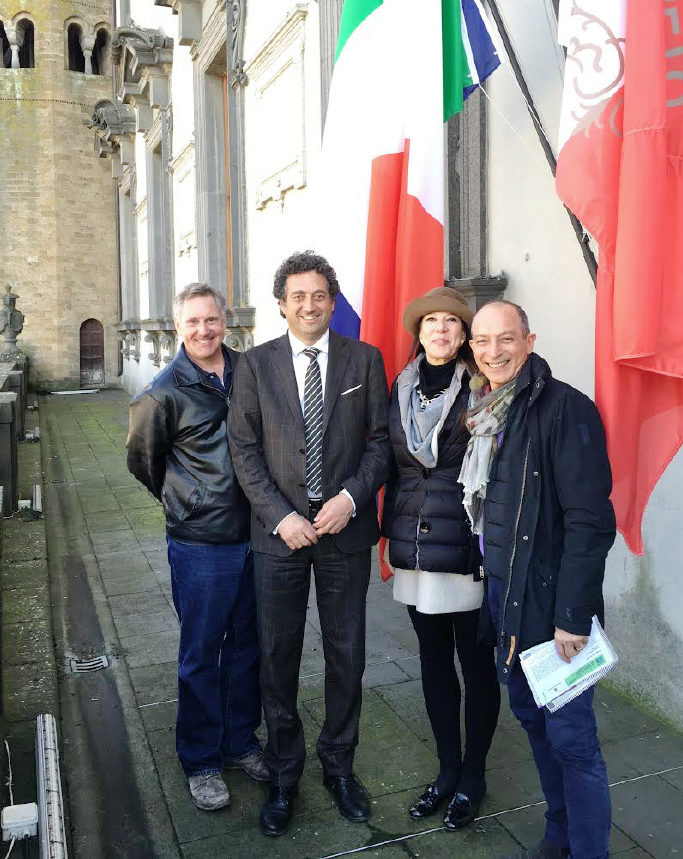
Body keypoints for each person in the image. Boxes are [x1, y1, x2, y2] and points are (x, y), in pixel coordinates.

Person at [227, 250, 390, 837]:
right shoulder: (253, 366)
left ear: (332, 300)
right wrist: (278, 517)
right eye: (298, 296)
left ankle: (339, 767)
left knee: (348, 654)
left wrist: (350, 499)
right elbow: (244, 451)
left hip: (344, 533)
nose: (309, 305)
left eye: (319, 295)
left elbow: (379, 442)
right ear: (281, 304)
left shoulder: (364, 361)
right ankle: (283, 771)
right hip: (281, 540)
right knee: (279, 657)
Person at [462, 300, 616, 859]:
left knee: (572, 740)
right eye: (481, 341)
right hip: (508, 602)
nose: (493, 352)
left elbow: (591, 522)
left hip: (555, 612)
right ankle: (560, 834)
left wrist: (573, 616)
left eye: (505, 339)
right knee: (531, 718)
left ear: (529, 341)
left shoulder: (564, 408)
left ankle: (589, 850)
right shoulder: (489, 408)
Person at [126, 283, 267, 812]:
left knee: (247, 645)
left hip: (257, 533)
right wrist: (188, 503)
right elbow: (144, 462)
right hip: (202, 543)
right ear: (178, 327)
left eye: (212, 320)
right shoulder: (163, 391)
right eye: (193, 323)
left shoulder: (250, 371)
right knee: (201, 652)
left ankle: (240, 740)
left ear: (224, 321)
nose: (204, 331)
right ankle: (201, 758)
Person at [380, 287, 501, 830]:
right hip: (415, 546)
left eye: (452, 322)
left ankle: (474, 774)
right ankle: (446, 768)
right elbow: (388, 463)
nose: (440, 330)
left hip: (466, 547)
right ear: (419, 332)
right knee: (432, 660)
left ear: (462, 335)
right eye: (431, 321)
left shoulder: (481, 389)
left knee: (475, 664)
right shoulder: (399, 388)